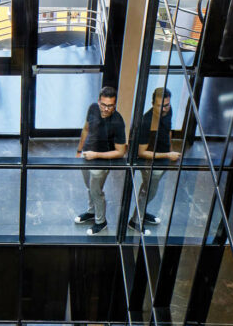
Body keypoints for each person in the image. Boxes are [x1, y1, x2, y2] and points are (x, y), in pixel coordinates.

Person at [75, 86, 127, 235]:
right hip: (87, 156)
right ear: (98, 102)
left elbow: (120, 152)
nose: (106, 109)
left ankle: (101, 221)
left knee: (96, 191)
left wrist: (96, 154)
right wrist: (79, 150)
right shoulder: (92, 108)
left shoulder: (117, 122)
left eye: (110, 106)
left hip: (101, 160)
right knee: (89, 187)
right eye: (103, 105)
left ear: (115, 104)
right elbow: (86, 129)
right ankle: (91, 212)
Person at [129, 87, 180, 231]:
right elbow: (142, 153)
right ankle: (134, 221)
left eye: (166, 105)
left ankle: (141, 214)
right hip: (150, 162)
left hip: (163, 159)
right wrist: (168, 155)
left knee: (149, 191)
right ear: (152, 104)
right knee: (148, 192)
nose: (164, 109)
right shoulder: (147, 122)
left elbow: (168, 131)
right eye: (160, 106)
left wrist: (169, 150)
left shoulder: (168, 111)